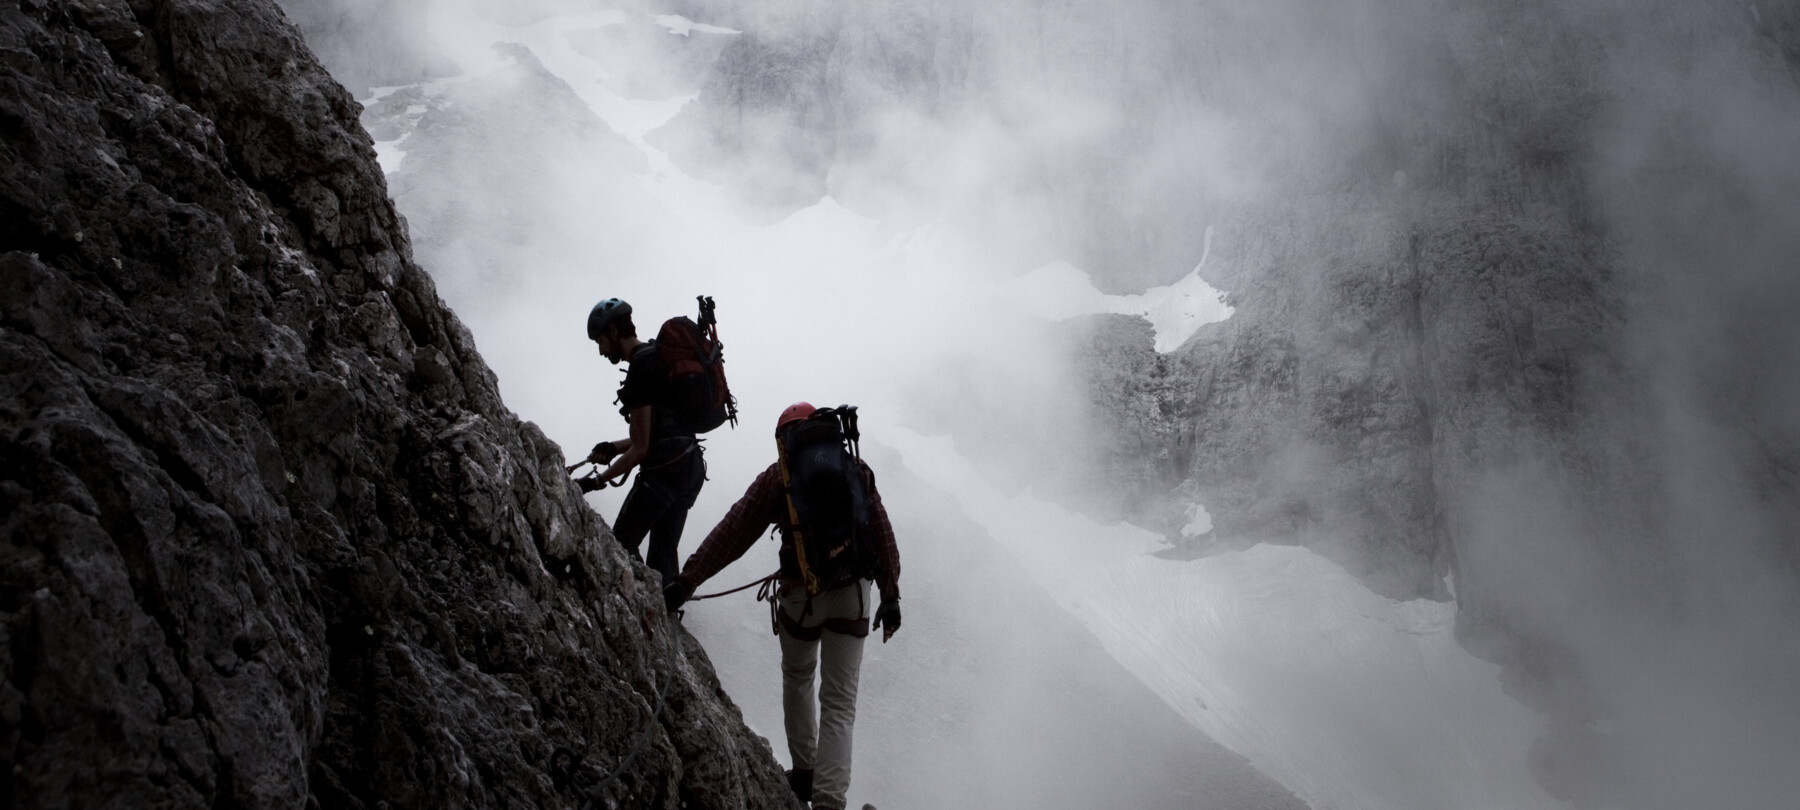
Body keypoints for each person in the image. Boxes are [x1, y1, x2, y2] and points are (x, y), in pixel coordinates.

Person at [663, 402, 902, 810]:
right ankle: (829, 801)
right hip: (853, 597)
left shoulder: (780, 476)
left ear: (785, 440)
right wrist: (891, 595)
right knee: (840, 702)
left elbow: (733, 532)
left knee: (798, 677)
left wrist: (687, 581)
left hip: (800, 598)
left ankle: (805, 772)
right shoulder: (853, 468)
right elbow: (881, 530)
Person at [581, 297, 706, 585]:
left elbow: (642, 447)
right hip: (690, 467)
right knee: (663, 557)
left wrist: (594, 482)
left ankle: (644, 616)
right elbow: (657, 431)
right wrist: (613, 448)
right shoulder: (654, 355)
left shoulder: (641, 366)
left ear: (613, 333)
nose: (600, 351)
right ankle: (666, 615)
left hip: (665, 470)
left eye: (600, 341)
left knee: (621, 544)